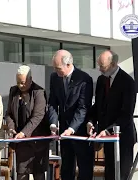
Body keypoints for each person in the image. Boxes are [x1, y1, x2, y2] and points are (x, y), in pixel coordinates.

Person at [87, 50, 137, 180]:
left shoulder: (127, 82)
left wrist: (108, 131)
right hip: (107, 139)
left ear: (113, 64)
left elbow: (126, 114)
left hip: (122, 137)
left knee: (120, 175)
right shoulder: (101, 80)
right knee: (109, 174)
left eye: (102, 66)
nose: (100, 69)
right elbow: (98, 106)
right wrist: (91, 121)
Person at [47, 50, 94, 180]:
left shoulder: (84, 79)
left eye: (58, 68)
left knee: (84, 170)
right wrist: (53, 123)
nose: (56, 72)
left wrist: (71, 128)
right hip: (63, 131)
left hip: (80, 131)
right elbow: (52, 102)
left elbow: (83, 108)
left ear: (68, 65)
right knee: (67, 169)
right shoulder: (54, 78)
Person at [5, 65, 50, 180]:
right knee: (21, 174)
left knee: (38, 174)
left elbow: (38, 116)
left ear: (30, 79)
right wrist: (11, 128)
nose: (21, 85)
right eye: (18, 82)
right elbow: (9, 113)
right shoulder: (13, 91)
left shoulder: (39, 92)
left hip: (37, 140)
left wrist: (24, 133)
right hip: (21, 143)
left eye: (23, 82)